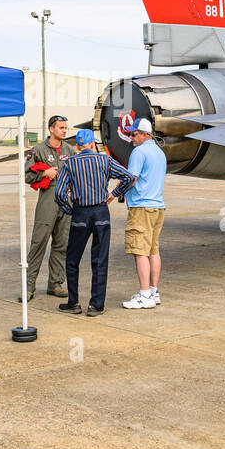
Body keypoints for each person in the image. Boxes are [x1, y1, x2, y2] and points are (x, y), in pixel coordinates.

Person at [53, 128, 135, 317]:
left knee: (72, 259)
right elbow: (128, 177)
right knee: (99, 260)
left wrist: (69, 209)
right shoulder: (103, 160)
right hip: (100, 213)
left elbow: (59, 193)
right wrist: (113, 194)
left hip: (80, 213)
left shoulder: (70, 163)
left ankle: (73, 302)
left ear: (78, 146)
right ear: (92, 144)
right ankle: (96, 305)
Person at [21, 115, 76, 301]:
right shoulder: (38, 150)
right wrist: (44, 172)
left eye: (65, 128)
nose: (64, 130)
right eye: (61, 127)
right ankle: (28, 287)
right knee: (39, 243)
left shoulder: (70, 150)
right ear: (51, 129)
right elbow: (27, 175)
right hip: (48, 199)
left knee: (61, 244)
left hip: (66, 200)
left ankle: (56, 283)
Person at [120, 119, 168, 310]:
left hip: (141, 207)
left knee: (139, 251)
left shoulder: (139, 152)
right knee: (153, 250)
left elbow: (131, 179)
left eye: (133, 134)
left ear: (143, 134)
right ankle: (154, 291)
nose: (131, 138)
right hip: (158, 206)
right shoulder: (159, 152)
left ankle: (144, 294)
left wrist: (114, 193)